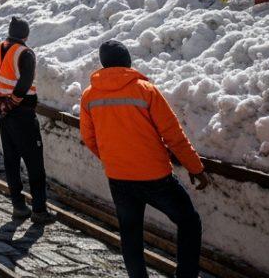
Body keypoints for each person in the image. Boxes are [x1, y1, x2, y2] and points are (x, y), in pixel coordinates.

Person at [80, 40, 208, 278]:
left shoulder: (89, 96)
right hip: (155, 178)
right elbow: (173, 134)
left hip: (119, 178)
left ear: (103, 64)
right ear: (128, 61)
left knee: (130, 232)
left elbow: (89, 137)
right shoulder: (144, 90)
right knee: (189, 222)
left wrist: (112, 158)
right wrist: (195, 167)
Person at [0, 17, 53, 223]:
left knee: (11, 159)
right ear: (26, 35)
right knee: (34, 162)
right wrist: (12, 102)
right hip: (22, 113)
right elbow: (25, 82)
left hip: (3, 113)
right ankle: (39, 209)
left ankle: (18, 206)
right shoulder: (25, 53)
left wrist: (0, 100)